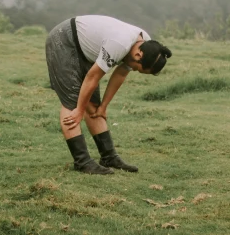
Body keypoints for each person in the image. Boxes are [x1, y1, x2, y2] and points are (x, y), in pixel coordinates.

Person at [45, 15, 173, 174]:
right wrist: (79, 110)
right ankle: (82, 162)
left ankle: (109, 157)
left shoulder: (147, 45)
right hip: (64, 40)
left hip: (84, 50)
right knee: (72, 103)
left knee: (93, 105)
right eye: (138, 69)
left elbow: (120, 74)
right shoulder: (119, 44)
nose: (134, 70)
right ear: (138, 55)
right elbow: (93, 77)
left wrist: (103, 106)